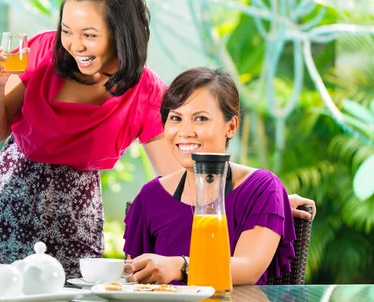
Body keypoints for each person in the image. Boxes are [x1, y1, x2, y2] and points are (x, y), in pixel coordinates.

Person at [0, 0, 315, 278]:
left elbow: (180, 177)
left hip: (75, 217)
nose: (74, 44)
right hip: (9, 199)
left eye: (90, 34)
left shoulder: (147, 92)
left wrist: (264, 200)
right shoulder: (40, 52)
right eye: (67, 31)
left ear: (120, 34)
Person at [124, 67, 308, 285]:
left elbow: (248, 268)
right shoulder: (151, 197)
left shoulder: (261, 188)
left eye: (200, 118)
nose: (185, 131)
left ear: (231, 126)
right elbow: (133, 281)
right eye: (175, 118)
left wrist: (181, 266)